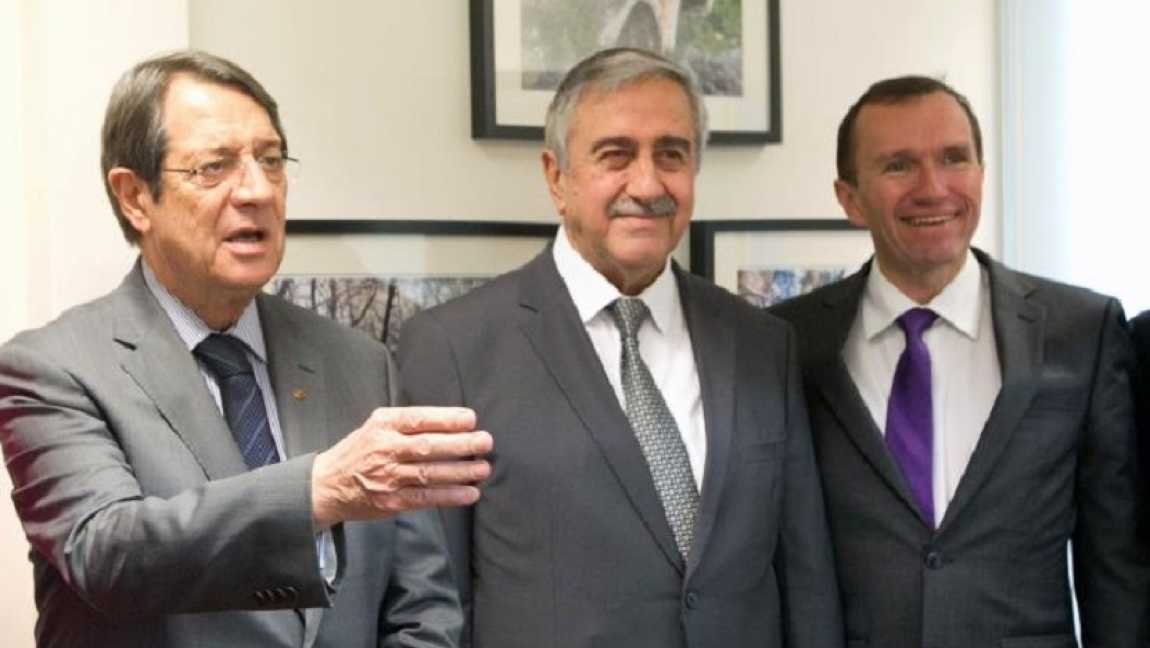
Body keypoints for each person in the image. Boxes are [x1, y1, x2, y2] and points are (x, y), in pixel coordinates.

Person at [0, 50, 493, 647]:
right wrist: (318, 492)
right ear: (135, 197)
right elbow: (107, 554)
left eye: (271, 160)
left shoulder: (359, 363)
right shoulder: (53, 369)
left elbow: (423, 608)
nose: (258, 190)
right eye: (214, 167)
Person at [397, 47, 842, 648]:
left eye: (672, 154)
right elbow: (432, 601)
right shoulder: (453, 348)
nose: (648, 183)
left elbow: (807, 583)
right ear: (556, 176)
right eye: (616, 155)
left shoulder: (762, 343)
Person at [771, 75, 1149, 647]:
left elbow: (1115, 563)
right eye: (898, 165)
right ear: (850, 198)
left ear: (981, 173)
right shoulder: (788, 342)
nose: (933, 188)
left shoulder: (1082, 330)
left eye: (954, 158)